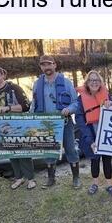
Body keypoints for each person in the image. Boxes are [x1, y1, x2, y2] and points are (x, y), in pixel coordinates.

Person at [0, 65, 33, 190]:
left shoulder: (14, 88)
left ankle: (30, 178)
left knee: (24, 152)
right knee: (11, 153)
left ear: (2, 74)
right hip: (1, 129)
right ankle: (18, 178)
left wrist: (9, 108)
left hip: (18, 126)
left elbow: (26, 106)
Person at [30, 55, 80, 187]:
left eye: (49, 64)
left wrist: (69, 109)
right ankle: (51, 179)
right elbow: (33, 104)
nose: (46, 67)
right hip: (46, 124)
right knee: (48, 151)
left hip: (64, 122)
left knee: (71, 149)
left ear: (54, 65)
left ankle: (76, 178)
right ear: (41, 67)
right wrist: (30, 118)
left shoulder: (66, 82)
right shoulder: (37, 84)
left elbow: (76, 103)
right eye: (43, 65)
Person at [72, 70, 112, 196]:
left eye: (97, 80)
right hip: (91, 135)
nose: (94, 82)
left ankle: (110, 185)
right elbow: (80, 121)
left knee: (107, 160)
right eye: (91, 80)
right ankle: (95, 183)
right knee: (94, 160)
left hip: (106, 136)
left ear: (100, 82)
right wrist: (90, 141)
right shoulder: (81, 100)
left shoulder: (106, 95)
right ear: (87, 83)